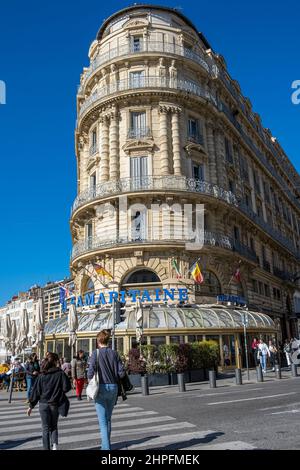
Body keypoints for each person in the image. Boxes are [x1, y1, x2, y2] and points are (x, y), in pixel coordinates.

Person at [88, 329, 126, 450]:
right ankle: (105, 446)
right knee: (108, 419)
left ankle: (106, 449)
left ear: (98, 341)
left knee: (102, 421)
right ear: (108, 340)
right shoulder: (114, 353)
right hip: (113, 388)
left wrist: (92, 379)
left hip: (101, 388)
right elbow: (121, 373)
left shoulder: (96, 353)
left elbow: (90, 372)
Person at [27, 352, 71, 450]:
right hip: (55, 404)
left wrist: (31, 406)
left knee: (45, 428)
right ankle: (54, 445)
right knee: (54, 425)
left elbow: (36, 392)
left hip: (43, 404)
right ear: (56, 362)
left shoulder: (41, 375)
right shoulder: (60, 373)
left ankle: (46, 448)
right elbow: (66, 388)